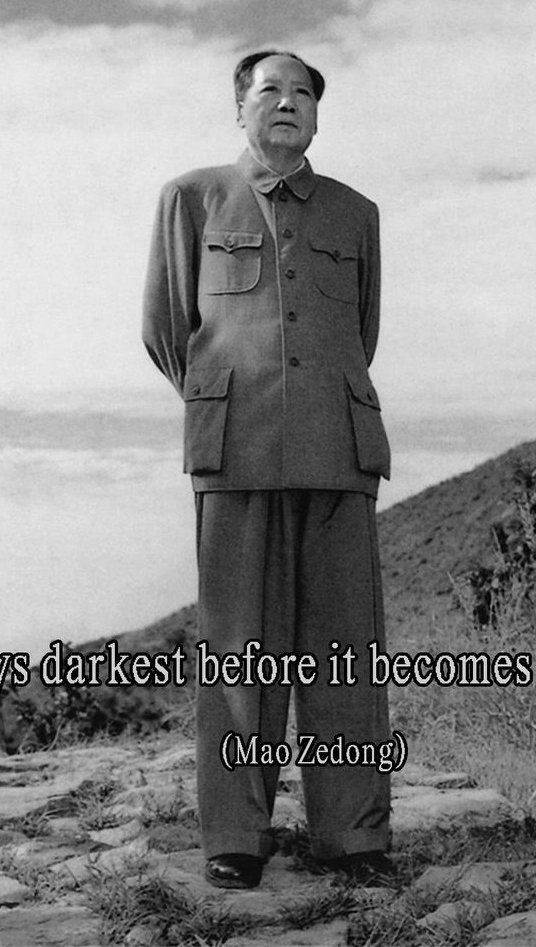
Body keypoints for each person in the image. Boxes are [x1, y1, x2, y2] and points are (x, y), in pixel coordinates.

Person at [142, 50, 395, 890]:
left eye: (302, 94)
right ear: (239, 109)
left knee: (344, 655)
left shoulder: (356, 213)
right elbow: (165, 326)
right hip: (236, 450)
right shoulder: (192, 198)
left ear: (317, 117)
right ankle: (236, 836)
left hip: (338, 447)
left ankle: (353, 836)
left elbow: (362, 331)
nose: (286, 103)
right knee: (239, 651)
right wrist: (228, 401)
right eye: (269, 91)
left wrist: (310, 400)